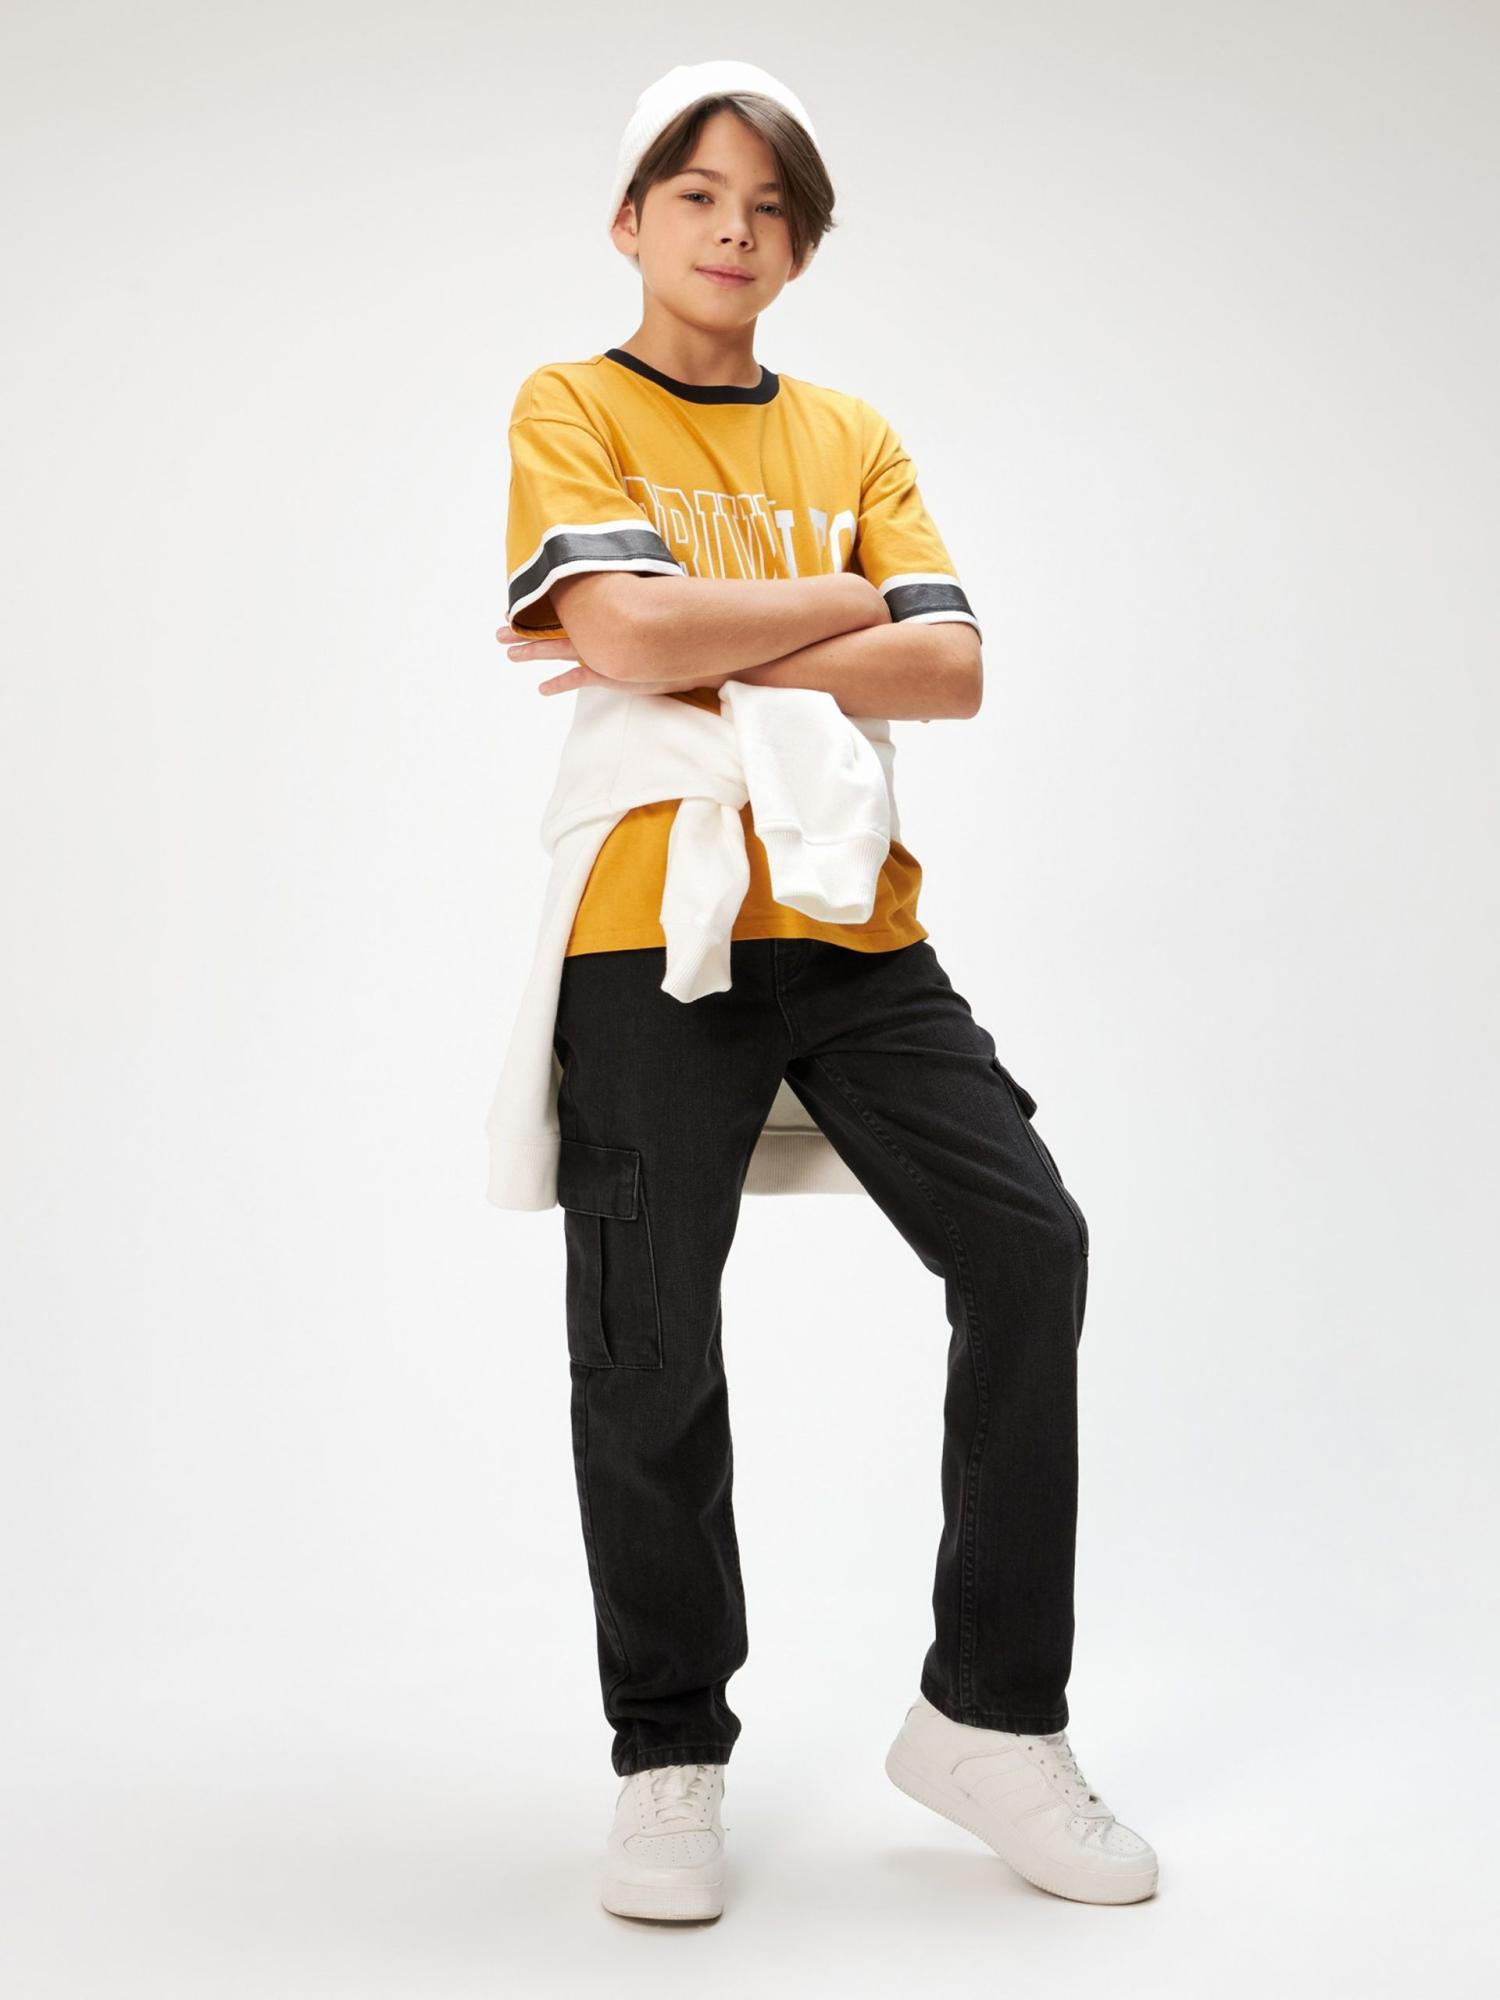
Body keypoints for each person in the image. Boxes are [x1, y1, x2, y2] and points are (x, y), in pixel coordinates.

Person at [493, 58, 1159, 1919]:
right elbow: (621, 624)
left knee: (1027, 1244)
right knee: (646, 1338)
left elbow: (953, 672)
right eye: (699, 197)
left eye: (770, 209)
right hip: (653, 926)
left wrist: (704, 642)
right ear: (632, 220)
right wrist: (845, 605)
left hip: (853, 922)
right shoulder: (570, 404)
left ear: (800, 248)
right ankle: (667, 1758)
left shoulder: (852, 435)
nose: (734, 231)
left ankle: (990, 1721)